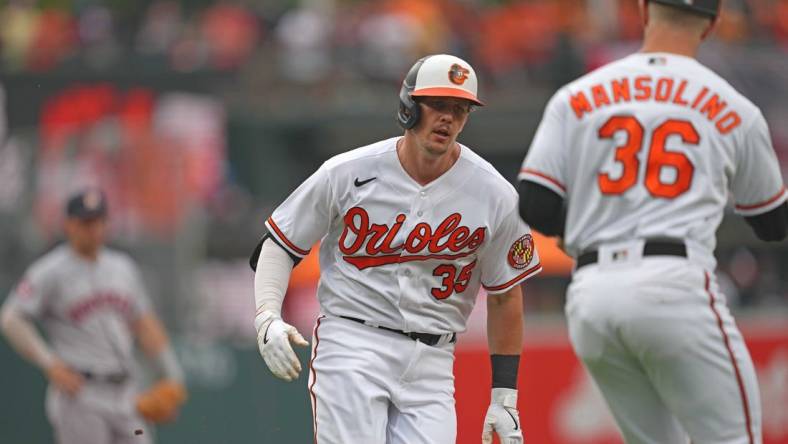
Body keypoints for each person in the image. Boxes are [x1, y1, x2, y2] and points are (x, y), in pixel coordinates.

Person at [518, 1, 787, 443]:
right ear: (713, 23)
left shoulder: (579, 94)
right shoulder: (734, 106)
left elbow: (534, 202)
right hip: (674, 283)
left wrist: (583, 230)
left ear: (644, 9)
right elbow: (772, 222)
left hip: (593, 295)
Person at [250, 54, 542, 443]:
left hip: (434, 361)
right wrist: (267, 316)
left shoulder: (494, 194)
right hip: (353, 341)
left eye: (459, 109)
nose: (448, 118)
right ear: (408, 107)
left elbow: (506, 295)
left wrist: (505, 397)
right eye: (437, 105)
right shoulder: (349, 171)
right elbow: (279, 243)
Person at [0, 189, 188, 444]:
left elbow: (144, 324)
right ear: (69, 224)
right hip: (81, 394)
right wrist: (50, 363)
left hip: (126, 392)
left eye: (99, 221)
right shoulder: (50, 271)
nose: (94, 229)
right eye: (86, 222)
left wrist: (173, 376)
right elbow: (11, 318)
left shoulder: (123, 267)